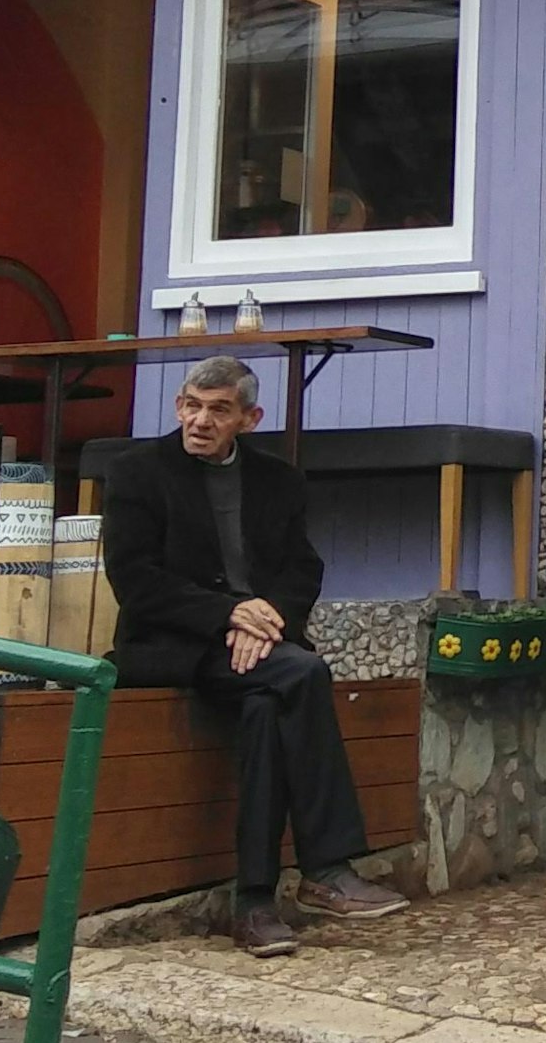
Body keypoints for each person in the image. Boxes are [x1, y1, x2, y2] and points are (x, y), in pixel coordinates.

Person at [100, 358, 410, 957]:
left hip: (260, 648)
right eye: (191, 405)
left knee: (269, 704)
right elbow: (136, 581)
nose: (200, 420)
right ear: (177, 407)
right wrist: (226, 614)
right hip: (172, 646)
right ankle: (325, 866)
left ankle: (255, 906)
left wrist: (266, 617)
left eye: (218, 410)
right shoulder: (137, 473)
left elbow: (303, 568)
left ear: (249, 418)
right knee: (304, 670)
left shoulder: (279, 480)